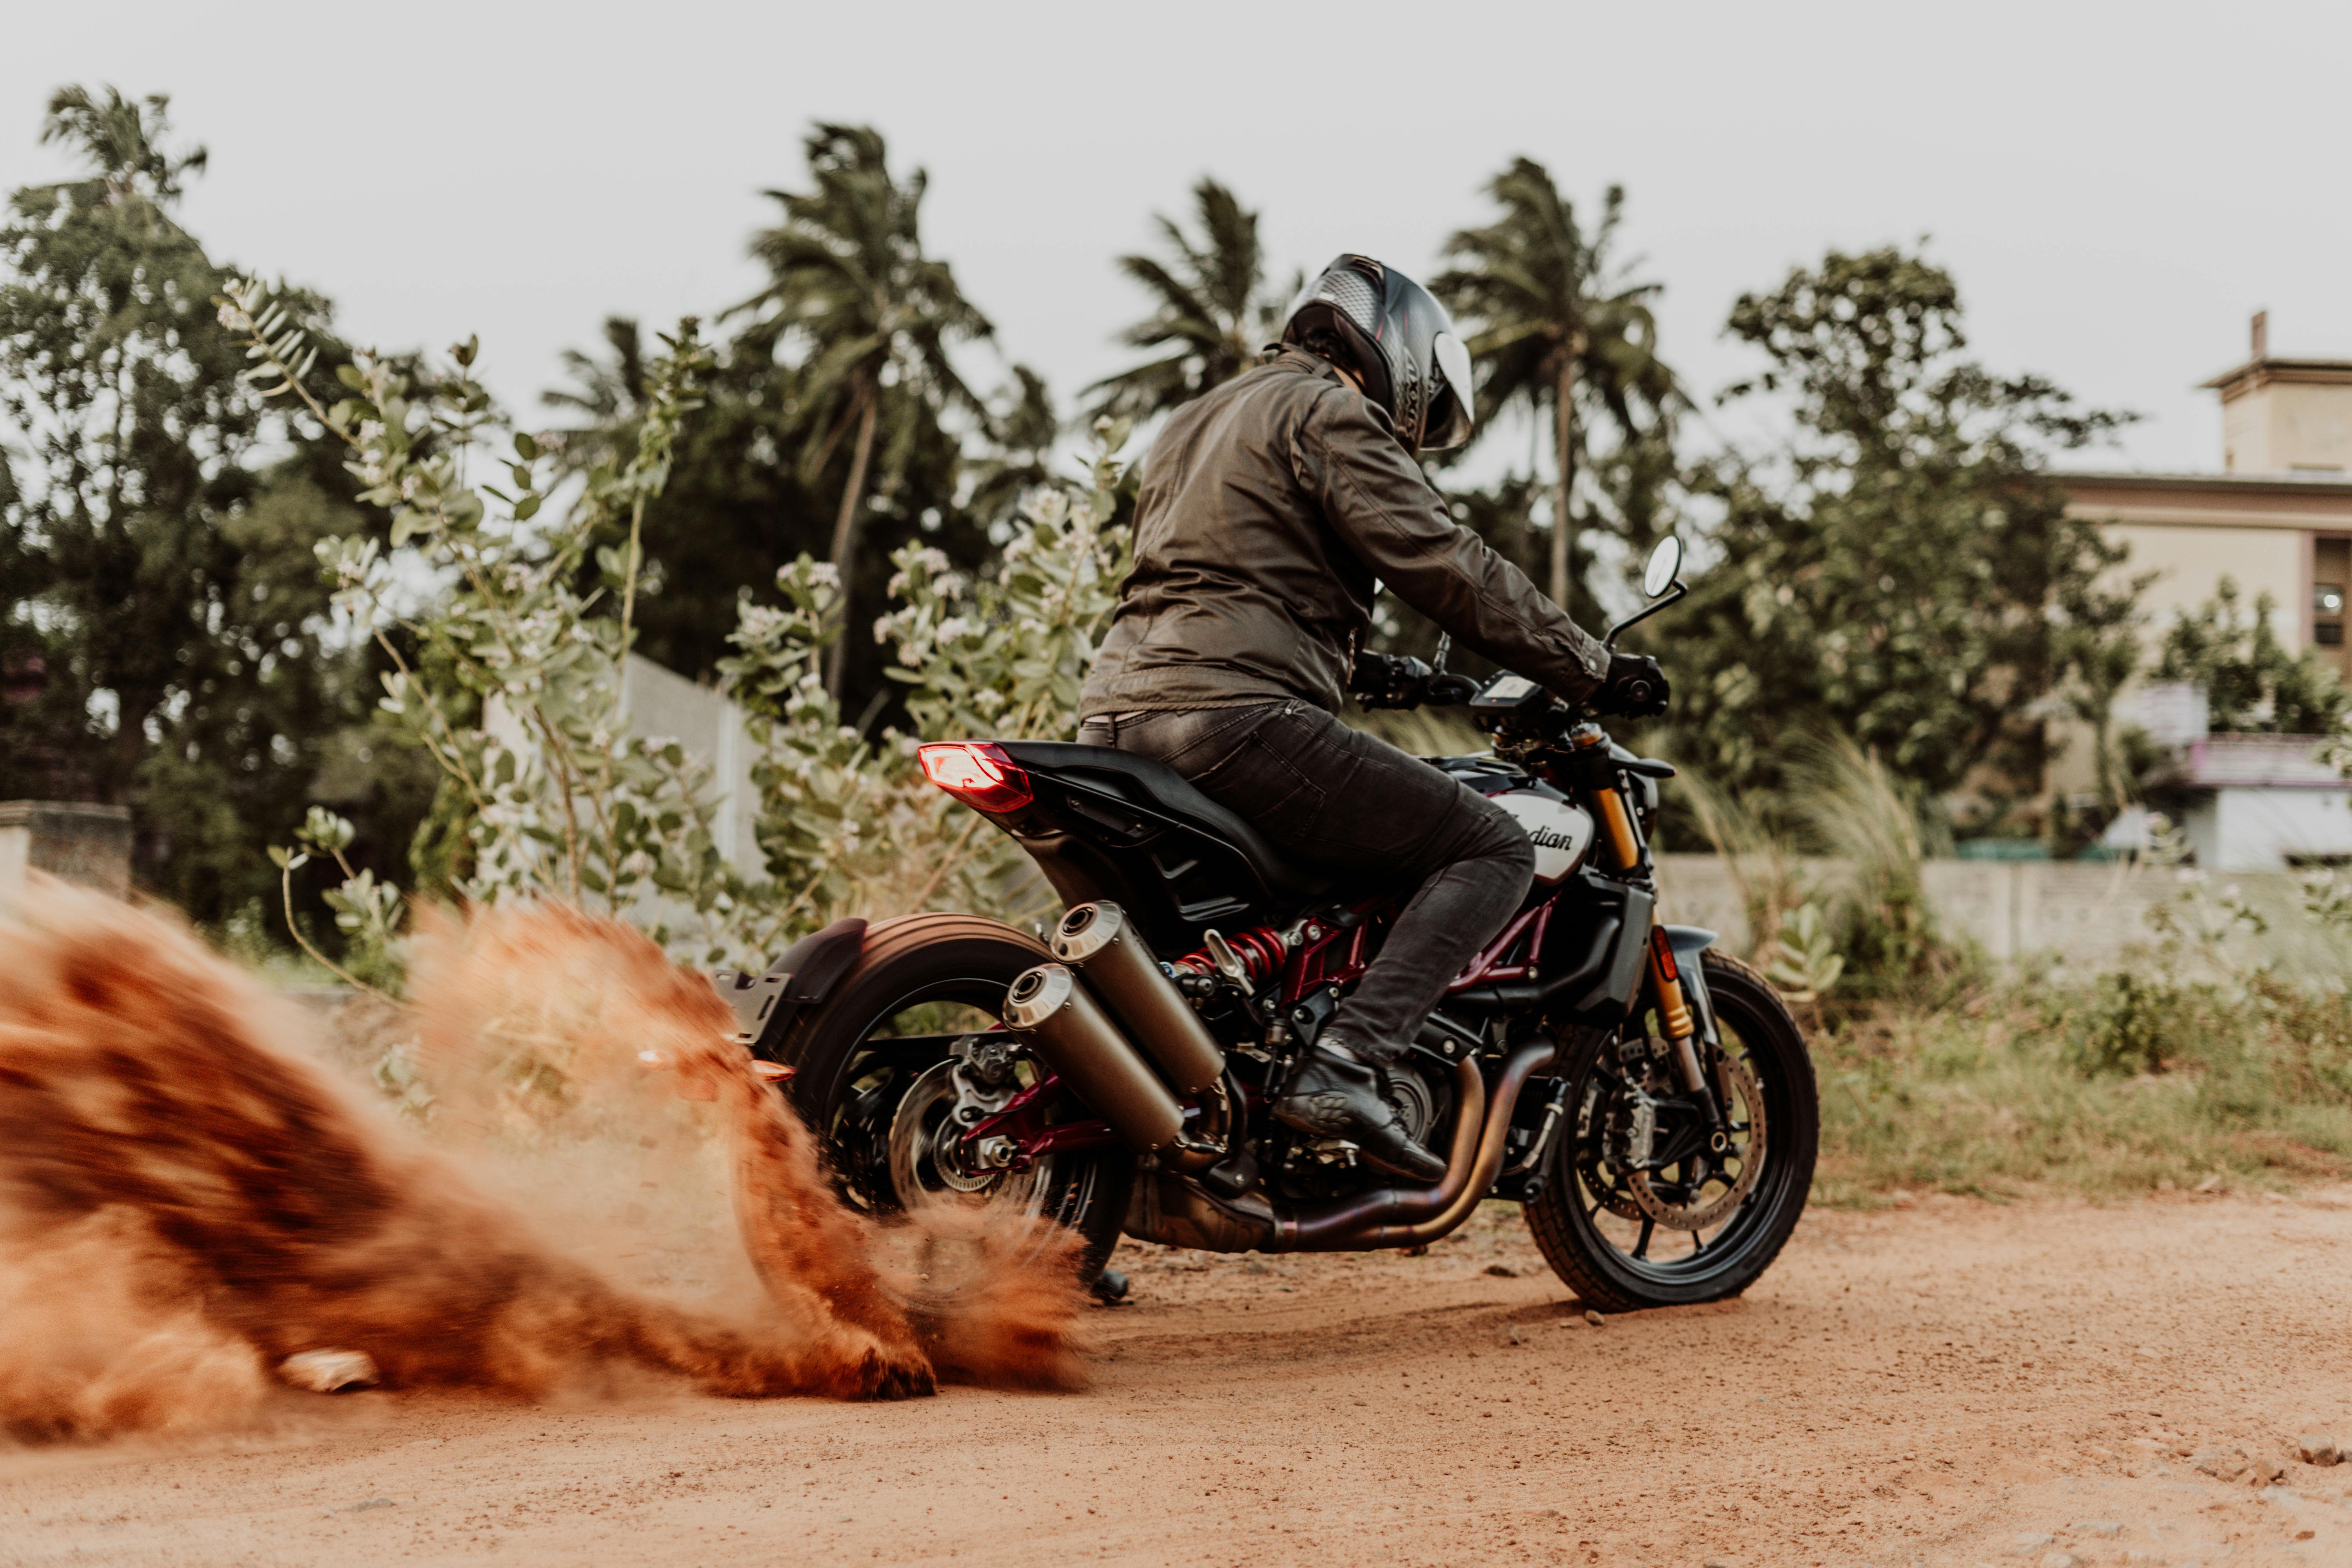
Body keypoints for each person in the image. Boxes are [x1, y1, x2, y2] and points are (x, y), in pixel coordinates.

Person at [1076, 253, 1668, 1182]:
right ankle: (1347, 1065)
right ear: (1401, 350)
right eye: (1424, 415)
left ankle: (1107, 1181)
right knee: (1493, 847)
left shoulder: (1197, 419)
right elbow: (1443, 563)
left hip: (1115, 718)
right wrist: (1590, 666)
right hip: (1231, 717)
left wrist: (1371, 670)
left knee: (1190, 962)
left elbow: (1229, 581)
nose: (1416, 431)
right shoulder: (1328, 408)